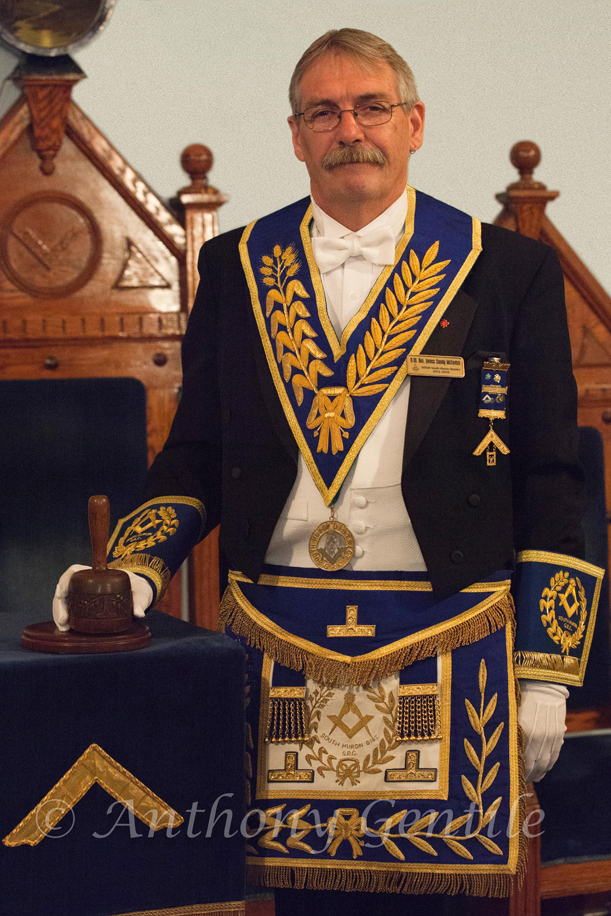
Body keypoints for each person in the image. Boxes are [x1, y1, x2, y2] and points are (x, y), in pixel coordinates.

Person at [55, 28, 603, 916]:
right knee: (295, 898)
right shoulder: (237, 265)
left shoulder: (508, 269)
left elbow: (548, 476)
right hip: (278, 634)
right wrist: (132, 566)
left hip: (451, 628)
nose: (350, 130)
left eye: (370, 107)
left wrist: (546, 668)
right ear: (296, 135)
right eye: (324, 112)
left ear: (413, 124)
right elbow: (195, 451)